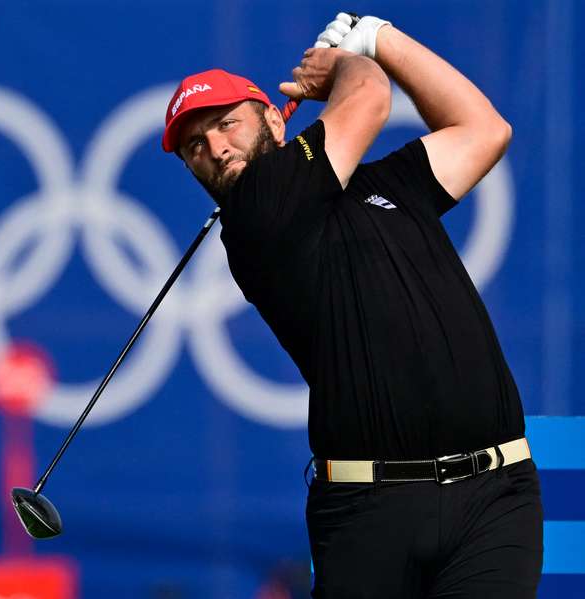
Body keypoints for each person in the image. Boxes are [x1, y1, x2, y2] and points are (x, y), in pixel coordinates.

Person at [162, 13, 542, 599]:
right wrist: (348, 62)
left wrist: (381, 36)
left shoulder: (385, 186)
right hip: (371, 511)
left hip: (495, 497)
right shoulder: (256, 212)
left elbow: (484, 128)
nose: (215, 147)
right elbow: (367, 98)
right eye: (195, 145)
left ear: (273, 119)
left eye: (225, 124)